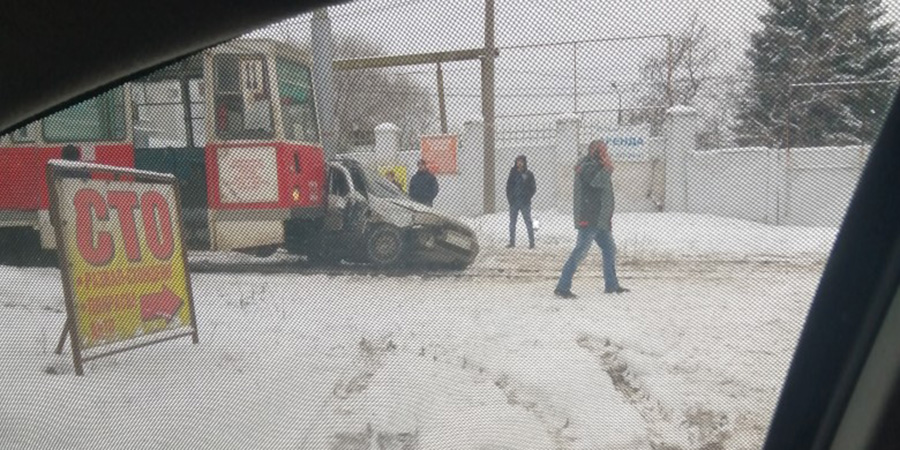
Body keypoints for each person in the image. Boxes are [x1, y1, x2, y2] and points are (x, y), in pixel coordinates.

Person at [554, 140, 629, 298]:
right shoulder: (587, 165)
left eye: (605, 150)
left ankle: (612, 285)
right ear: (593, 151)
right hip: (589, 218)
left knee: (609, 249)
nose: (605, 153)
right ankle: (562, 287)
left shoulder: (596, 165)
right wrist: (607, 168)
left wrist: (605, 167)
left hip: (600, 219)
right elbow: (596, 182)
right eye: (602, 150)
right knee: (580, 251)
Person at [505, 154, 537, 249]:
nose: (519, 163)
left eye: (521, 161)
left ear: (524, 162)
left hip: (525, 202)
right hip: (514, 202)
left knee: (528, 222)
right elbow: (508, 187)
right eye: (518, 161)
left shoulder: (528, 174)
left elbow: (533, 188)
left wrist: (528, 197)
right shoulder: (513, 173)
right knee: (512, 222)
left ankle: (532, 243)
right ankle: (512, 242)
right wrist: (510, 198)